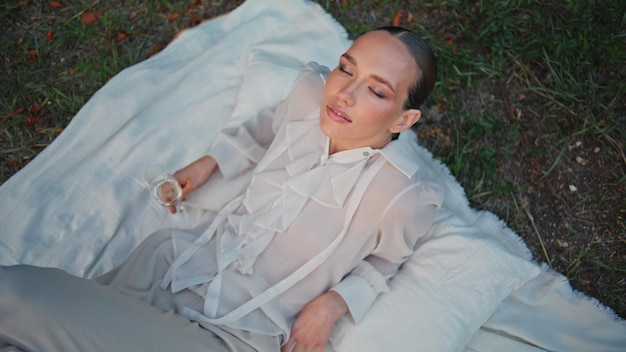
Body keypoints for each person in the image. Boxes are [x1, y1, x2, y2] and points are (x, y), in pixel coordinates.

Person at [0, 26, 442, 352]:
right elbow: (268, 129)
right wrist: (212, 162)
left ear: (403, 120)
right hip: (170, 270)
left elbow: (386, 260)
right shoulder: (310, 93)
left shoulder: (401, 196)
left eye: (377, 91)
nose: (344, 93)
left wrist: (331, 305)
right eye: (346, 68)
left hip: (232, 335)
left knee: (18, 296)